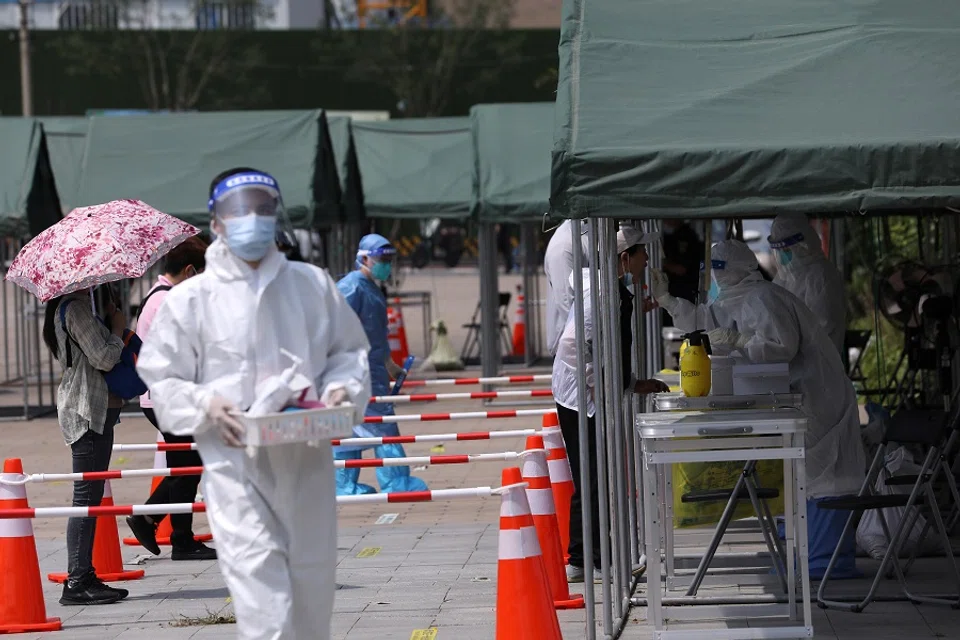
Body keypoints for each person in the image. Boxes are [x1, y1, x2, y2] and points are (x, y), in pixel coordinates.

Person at [136, 167, 371, 639]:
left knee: (311, 598)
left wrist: (342, 390)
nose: (253, 219)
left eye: (263, 208)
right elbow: (161, 377)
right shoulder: (193, 300)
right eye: (239, 210)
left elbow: (348, 353)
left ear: (277, 214)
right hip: (235, 467)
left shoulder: (311, 286)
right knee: (264, 605)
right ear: (216, 222)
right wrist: (205, 404)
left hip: (306, 462)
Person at [650, 239, 865, 578]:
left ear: (734, 268)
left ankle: (827, 563)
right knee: (805, 474)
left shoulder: (763, 298)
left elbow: (782, 347)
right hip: (795, 396)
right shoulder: (738, 298)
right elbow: (705, 319)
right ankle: (813, 560)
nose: (715, 277)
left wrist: (738, 341)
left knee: (823, 475)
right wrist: (668, 300)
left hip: (815, 395)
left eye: (718, 268)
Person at [552, 225, 668, 583]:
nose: (646, 259)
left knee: (597, 473)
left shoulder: (616, 291)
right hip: (578, 395)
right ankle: (585, 559)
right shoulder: (604, 293)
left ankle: (592, 556)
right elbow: (573, 345)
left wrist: (632, 383)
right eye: (640, 252)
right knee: (592, 475)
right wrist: (600, 385)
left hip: (587, 390)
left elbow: (613, 349)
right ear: (624, 258)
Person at [125, 236, 217, 561]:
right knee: (187, 466)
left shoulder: (160, 296)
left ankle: (155, 522)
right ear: (191, 271)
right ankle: (178, 538)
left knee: (188, 465)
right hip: (167, 397)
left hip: (164, 396)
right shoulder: (166, 301)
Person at [43, 289, 130, 605]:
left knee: (90, 498)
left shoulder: (77, 308)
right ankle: (78, 580)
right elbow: (104, 358)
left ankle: (84, 575)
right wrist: (118, 327)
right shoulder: (75, 309)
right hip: (87, 411)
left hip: (93, 408)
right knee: (86, 499)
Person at [333, 234, 428, 495]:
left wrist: (389, 364)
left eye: (389, 260)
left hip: (370, 370)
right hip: (355, 371)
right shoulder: (350, 289)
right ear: (363, 258)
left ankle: (343, 484)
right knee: (382, 426)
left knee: (352, 427)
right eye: (382, 260)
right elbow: (333, 330)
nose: (387, 265)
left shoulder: (371, 288)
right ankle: (397, 483)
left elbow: (376, 335)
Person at [768, 216, 846, 355]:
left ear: (802, 246)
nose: (781, 256)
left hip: (818, 365)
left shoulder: (820, 275)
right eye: (778, 251)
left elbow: (822, 327)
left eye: (786, 250)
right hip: (792, 365)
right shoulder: (783, 278)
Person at [544, 219, 591, 356]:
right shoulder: (564, 244)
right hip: (572, 350)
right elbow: (567, 302)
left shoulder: (584, 234)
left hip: (583, 344)